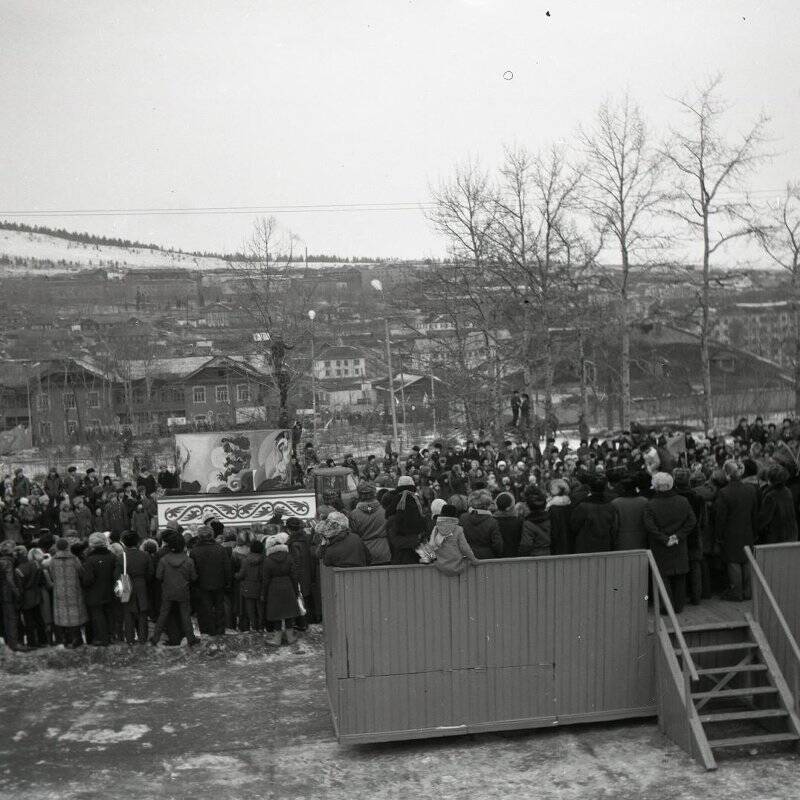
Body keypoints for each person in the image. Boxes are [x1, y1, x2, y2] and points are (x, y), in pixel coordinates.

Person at [644, 472, 695, 614]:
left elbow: (650, 526)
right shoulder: (683, 501)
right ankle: (679, 606)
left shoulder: (651, 504)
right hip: (679, 543)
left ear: (656, 486)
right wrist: (678, 536)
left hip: (660, 546)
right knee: (680, 575)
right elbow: (691, 521)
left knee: (663, 576)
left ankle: (666, 607)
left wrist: (664, 539)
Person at [714, 460, 758, 601]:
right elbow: (754, 512)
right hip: (747, 529)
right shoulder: (751, 489)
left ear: (727, 473)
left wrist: (718, 536)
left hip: (731, 532)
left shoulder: (724, 493)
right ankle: (747, 591)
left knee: (733, 562)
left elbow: (720, 518)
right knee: (746, 560)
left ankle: (736, 592)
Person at [150, 531, 199, 646]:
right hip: (183, 591)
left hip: (167, 591)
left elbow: (158, 576)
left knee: (163, 615)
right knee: (185, 615)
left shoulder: (164, 560)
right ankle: (191, 638)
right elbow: (193, 577)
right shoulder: (188, 561)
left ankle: (155, 639)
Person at [190, 525, 232, 636]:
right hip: (219, 583)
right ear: (212, 535)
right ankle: (220, 630)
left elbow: (192, 570)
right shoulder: (220, 549)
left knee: (205, 609)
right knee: (219, 608)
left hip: (201, 585)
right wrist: (228, 582)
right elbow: (227, 567)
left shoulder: (194, 551)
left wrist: (194, 583)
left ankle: (207, 631)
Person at [262, 532, 301, 646]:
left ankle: (277, 639)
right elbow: (294, 575)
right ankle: (290, 637)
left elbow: (265, 580)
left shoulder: (268, 560)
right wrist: (296, 590)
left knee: (277, 613)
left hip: (273, 588)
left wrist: (263, 594)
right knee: (288, 612)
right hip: (288, 585)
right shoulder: (289, 557)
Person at [116, 531, 154, 644]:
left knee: (128, 613)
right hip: (141, 584)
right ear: (137, 542)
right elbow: (150, 573)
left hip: (125, 583)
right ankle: (143, 638)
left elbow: (116, 574)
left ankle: (130, 639)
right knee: (142, 612)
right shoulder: (145, 555)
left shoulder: (120, 557)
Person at [49, 536, 87, 647]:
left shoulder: (53, 560)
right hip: (74, 589)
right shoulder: (74, 559)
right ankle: (77, 638)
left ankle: (65, 638)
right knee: (74, 615)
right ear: (67, 546)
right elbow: (81, 572)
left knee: (63, 615)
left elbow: (52, 575)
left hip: (59, 591)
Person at [422, 504, 480, 576]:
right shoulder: (458, 529)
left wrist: (429, 560)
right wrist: (474, 560)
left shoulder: (436, 529)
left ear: (441, 514)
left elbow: (431, 546)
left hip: (439, 565)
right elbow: (464, 548)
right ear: (455, 515)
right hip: (457, 564)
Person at [81, 532, 117, 646]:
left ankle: (103, 639)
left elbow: (88, 579)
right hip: (110, 590)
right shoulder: (112, 556)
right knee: (110, 614)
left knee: (98, 616)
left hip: (95, 593)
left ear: (92, 544)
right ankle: (112, 636)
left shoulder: (90, 559)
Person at [570, 474, 618, 553]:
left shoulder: (582, 506)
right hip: (605, 545)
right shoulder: (611, 505)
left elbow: (574, 526)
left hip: (586, 546)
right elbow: (614, 528)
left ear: (590, 488)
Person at [348, 483, 391, 565]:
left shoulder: (354, 514)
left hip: (364, 552)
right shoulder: (385, 510)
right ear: (374, 494)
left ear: (359, 495)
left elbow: (353, 535)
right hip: (384, 552)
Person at [757, 464, 799, 544]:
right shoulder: (787, 491)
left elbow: (764, 519)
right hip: (792, 534)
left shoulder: (771, 496)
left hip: (777, 536)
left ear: (770, 478)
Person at [459, 490, 503, 559]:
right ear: (488, 504)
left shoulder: (463, 518)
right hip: (487, 558)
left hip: (467, 557)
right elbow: (497, 545)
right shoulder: (492, 521)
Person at [236, 538, 266, 632]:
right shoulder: (265, 559)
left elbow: (241, 575)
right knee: (261, 609)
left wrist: (235, 575)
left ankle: (254, 627)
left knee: (250, 609)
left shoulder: (245, 560)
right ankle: (261, 627)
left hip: (248, 588)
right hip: (261, 587)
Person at [611, 476, 648, 551]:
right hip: (642, 538)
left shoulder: (615, 503)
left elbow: (614, 525)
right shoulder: (644, 501)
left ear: (623, 488)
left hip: (622, 539)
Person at [519, 488, 551, 557]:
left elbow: (526, 545)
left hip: (534, 557)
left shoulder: (527, 524)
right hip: (551, 554)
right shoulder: (550, 519)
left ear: (528, 506)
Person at [493, 491, 522, 557]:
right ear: (512, 504)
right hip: (517, 558)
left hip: (496, 558)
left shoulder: (492, 521)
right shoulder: (520, 521)